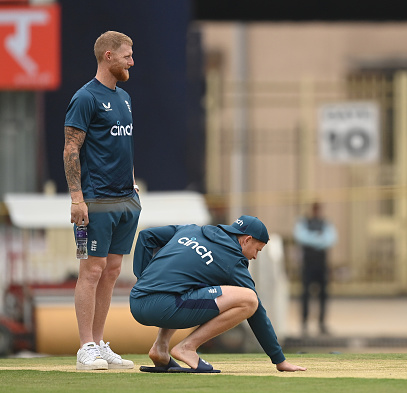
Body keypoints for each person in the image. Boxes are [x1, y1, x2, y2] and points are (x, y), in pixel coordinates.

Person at [129, 215, 307, 373]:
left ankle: (160, 348)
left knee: (187, 284)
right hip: (166, 307)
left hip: (137, 302)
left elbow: (147, 236)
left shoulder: (190, 229)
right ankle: (187, 347)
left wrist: (143, 279)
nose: (255, 257)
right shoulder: (233, 261)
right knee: (249, 300)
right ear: (247, 240)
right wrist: (279, 359)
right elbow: (256, 309)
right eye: (257, 250)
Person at [63, 31, 141, 370]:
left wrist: (133, 186)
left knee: (112, 271)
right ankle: (85, 348)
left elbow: (123, 147)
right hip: (96, 201)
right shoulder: (85, 98)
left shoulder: (123, 97)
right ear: (108, 55)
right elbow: (71, 149)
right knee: (91, 270)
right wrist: (77, 199)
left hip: (125, 200)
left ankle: (99, 342)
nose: (132, 61)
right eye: (127, 55)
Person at [293, 202, 337, 336]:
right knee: (305, 294)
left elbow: (331, 239)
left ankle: (322, 323)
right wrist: (319, 239)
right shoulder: (304, 222)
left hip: (321, 264)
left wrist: (313, 239)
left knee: (323, 295)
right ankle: (304, 323)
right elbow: (301, 237)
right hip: (308, 264)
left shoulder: (326, 223)